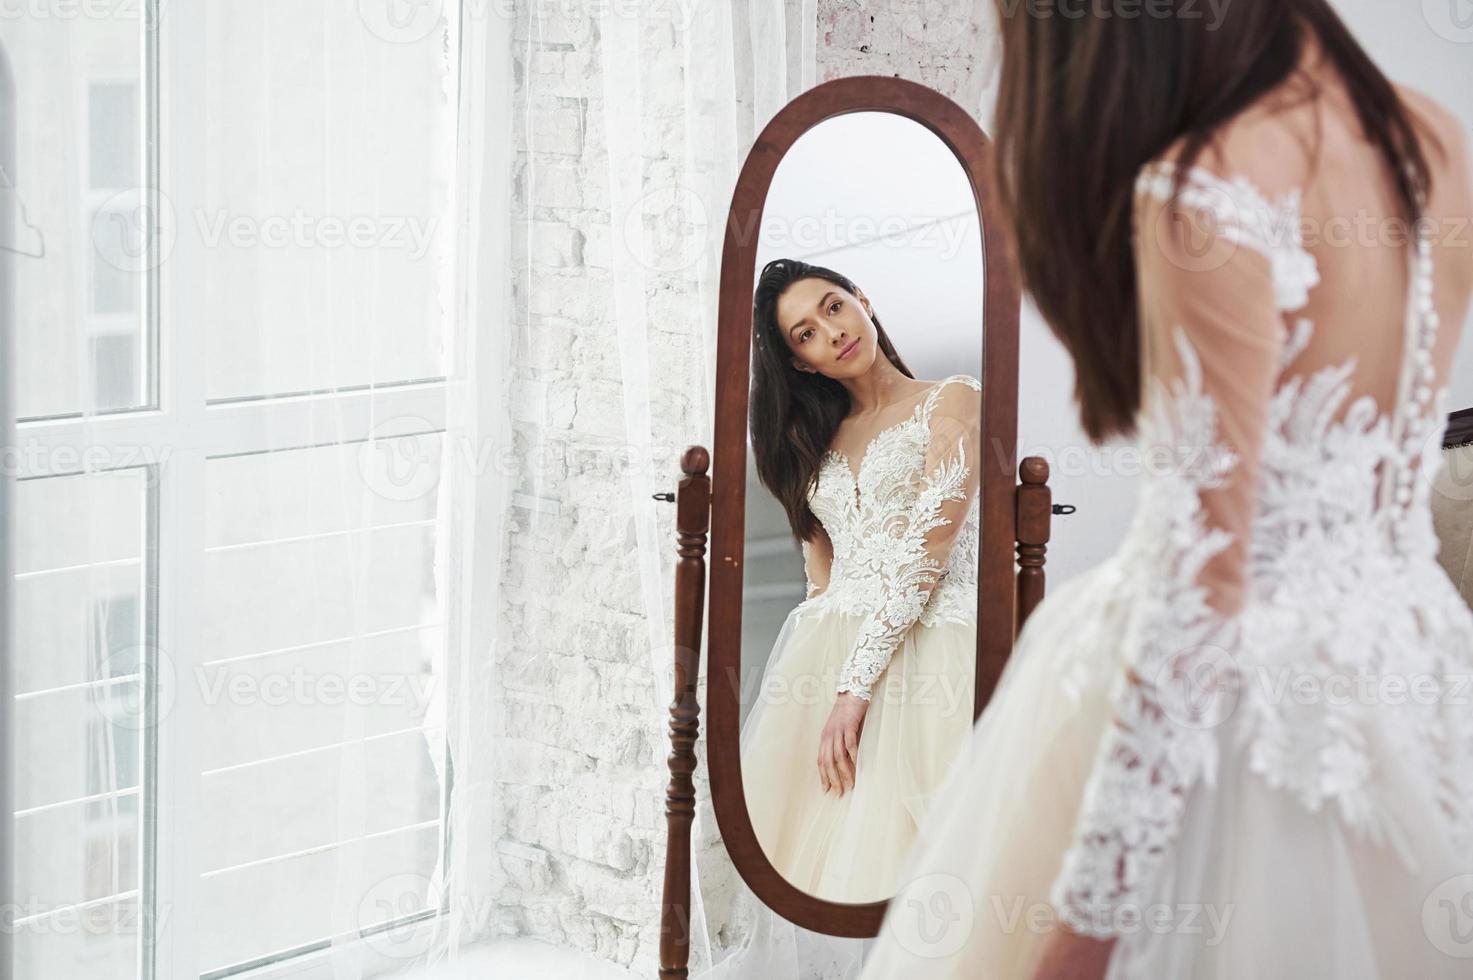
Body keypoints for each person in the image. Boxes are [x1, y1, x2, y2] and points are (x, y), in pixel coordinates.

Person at [858, 2, 1473, 978]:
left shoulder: (1209, 186)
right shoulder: (1434, 136)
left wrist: (1083, 932)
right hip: (1415, 672)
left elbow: (1203, 599)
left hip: (1237, 723)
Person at [738, 258, 982, 904]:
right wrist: (816, 692)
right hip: (828, 654)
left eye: (831, 307)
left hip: (931, 643)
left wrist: (854, 690)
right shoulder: (810, 447)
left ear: (862, 300)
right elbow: (820, 584)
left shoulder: (952, 398)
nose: (829, 331)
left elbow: (928, 552)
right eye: (804, 335)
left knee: (940, 866)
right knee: (834, 857)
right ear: (800, 364)